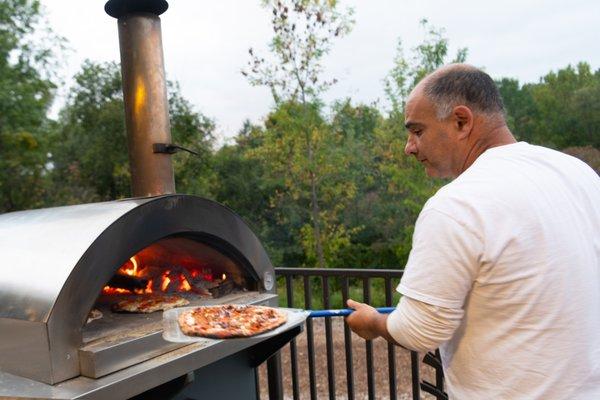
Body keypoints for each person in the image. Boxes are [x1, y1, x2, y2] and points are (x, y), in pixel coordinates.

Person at [346, 64, 600, 399]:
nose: (409, 147)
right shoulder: (579, 174)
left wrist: (374, 322)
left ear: (461, 121)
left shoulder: (456, 205)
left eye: (417, 131)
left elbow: (419, 329)